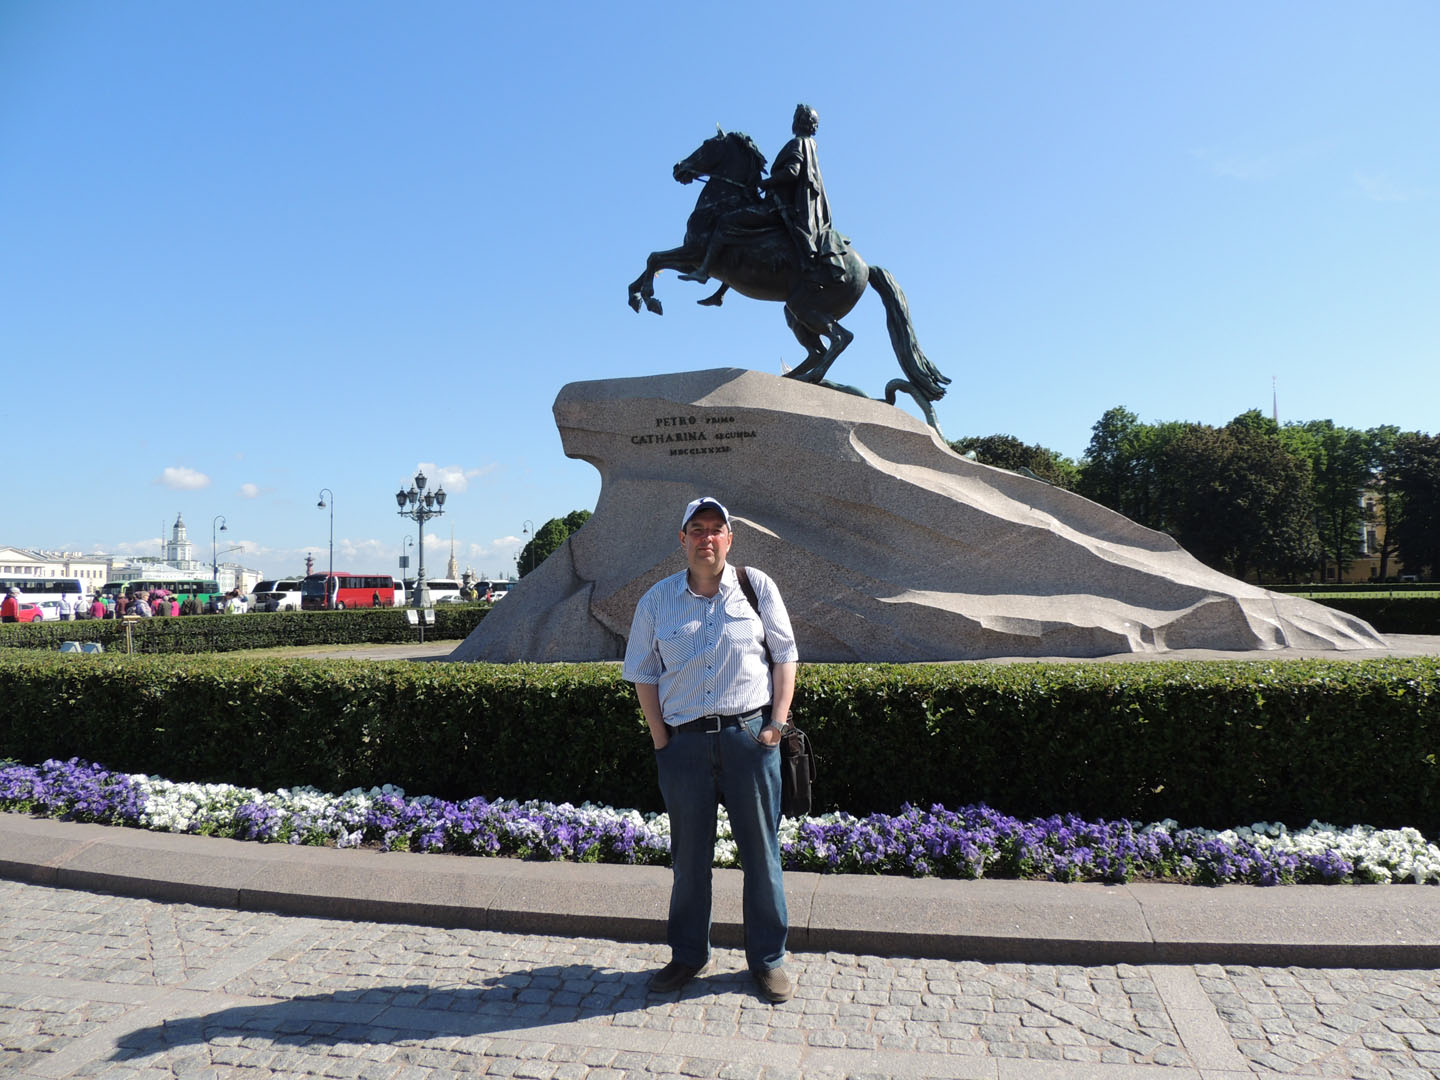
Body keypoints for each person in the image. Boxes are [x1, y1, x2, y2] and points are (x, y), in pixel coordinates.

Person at [622, 496, 799, 1003]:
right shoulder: (656, 600)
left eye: (716, 529)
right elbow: (642, 673)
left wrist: (775, 726)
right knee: (689, 860)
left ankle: (768, 959)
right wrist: (661, 739)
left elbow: (785, 656)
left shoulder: (756, 587)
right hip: (685, 746)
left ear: (729, 538)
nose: (707, 537)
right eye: (697, 529)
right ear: (682, 539)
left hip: (749, 740)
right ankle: (687, 955)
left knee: (762, 856)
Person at [681, 104, 843, 287]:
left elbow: (792, 171)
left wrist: (767, 183)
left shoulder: (797, 143)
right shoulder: (810, 145)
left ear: (798, 122)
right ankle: (720, 290)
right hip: (789, 206)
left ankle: (704, 270)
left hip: (778, 207)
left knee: (726, 222)